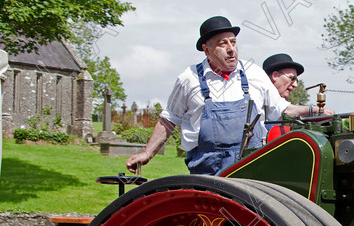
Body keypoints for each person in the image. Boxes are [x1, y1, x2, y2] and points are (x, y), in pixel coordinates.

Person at [126, 16, 331, 176]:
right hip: (207, 169)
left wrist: (315, 110)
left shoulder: (254, 74)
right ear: (206, 50)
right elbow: (169, 119)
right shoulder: (188, 79)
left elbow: (283, 109)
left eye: (233, 42)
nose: (231, 49)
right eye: (222, 43)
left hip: (252, 164)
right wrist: (147, 153)